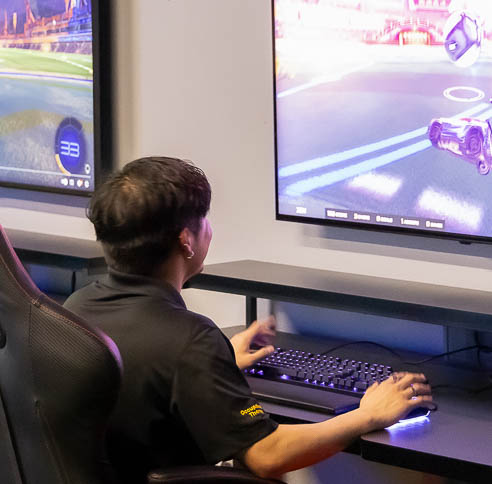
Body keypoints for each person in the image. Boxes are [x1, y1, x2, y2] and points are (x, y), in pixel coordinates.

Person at [63, 156, 435, 482]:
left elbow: (144, 376)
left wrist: (217, 366)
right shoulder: (188, 341)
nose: (209, 228)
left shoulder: (75, 309)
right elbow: (267, 455)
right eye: (203, 219)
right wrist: (367, 415)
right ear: (186, 241)